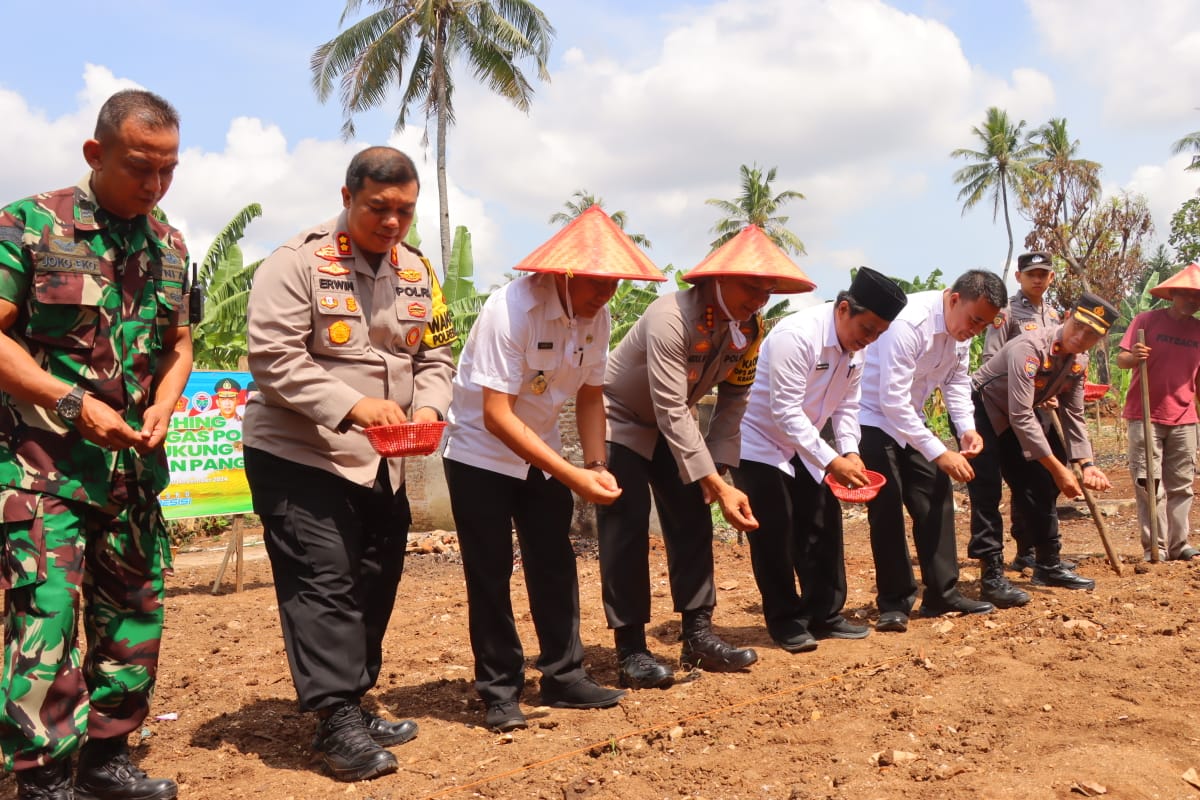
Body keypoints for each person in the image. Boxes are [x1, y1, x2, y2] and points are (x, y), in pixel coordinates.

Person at [243, 147, 456, 782]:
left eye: (405, 211)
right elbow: (274, 358)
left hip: (383, 460)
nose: (393, 223)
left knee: (374, 577)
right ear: (347, 196)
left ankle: (355, 700)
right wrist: (355, 406)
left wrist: (428, 408)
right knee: (324, 581)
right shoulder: (296, 263)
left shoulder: (417, 272)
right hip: (300, 452)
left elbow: (438, 358)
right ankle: (336, 720)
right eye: (378, 208)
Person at [0, 89, 189, 800]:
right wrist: (72, 404)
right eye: (141, 167)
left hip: (132, 473)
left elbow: (179, 342)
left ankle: (107, 762)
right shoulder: (28, 225)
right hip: (40, 469)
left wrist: (167, 404)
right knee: (44, 624)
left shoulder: (168, 242)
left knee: (133, 621)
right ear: (96, 153)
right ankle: (44, 779)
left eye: (169, 170)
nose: (155, 185)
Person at [443, 206, 665, 731]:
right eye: (596, 284)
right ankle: (500, 689)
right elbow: (496, 415)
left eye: (614, 283)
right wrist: (572, 476)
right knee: (490, 571)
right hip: (480, 453)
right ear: (565, 274)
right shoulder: (511, 310)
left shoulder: (599, 315)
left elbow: (591, 396)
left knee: (554, 563)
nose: (606, 295)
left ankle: (564, 675)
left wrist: (595, 462)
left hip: (539, 452)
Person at [598, 225, 815, 689]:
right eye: (750, 286)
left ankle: (698, 636)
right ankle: (631, 649)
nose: (758, 298)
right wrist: (715, 483)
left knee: (692, 519)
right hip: (621, 421)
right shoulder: (670, 317)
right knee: (627, 524)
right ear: (718, 278)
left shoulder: (749, 331)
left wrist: (717, 471)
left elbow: (735, 403)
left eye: (767, 289)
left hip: (674, 428)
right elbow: (671, 406)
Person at [731, 267, 907, 652]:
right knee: (775, 532)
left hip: (809, 446)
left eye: (879, 333)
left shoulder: (856, 350)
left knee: (823, 525)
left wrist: (851, 451)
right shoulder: (798, 336)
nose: (870, 339)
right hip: (760, 444)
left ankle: (824, 614)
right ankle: (785, 621)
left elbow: (848, 405)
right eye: (867, 328)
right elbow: (785, 412)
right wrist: (832, 461)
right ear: (844, 308)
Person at [860, 270, 1005, 633]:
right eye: (974, 320)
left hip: (912, 419)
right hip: (873, 417)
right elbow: (891, 399)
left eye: (983, 325)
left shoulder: (961, 331)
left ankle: (942, 593)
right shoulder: (910, 322)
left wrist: (966, 428)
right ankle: (895, 602)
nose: (975, 330)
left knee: (936, 496)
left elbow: (956, 380)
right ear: (954, 299)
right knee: (887, 507)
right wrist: (940, 452)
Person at [967, 293, 1117, 603]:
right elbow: (1022, 415)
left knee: (1038, 484)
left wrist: (1087, 465)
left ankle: (1048, 564)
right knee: (987, 488)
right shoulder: (1029, 347)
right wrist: (1060, 469)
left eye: (1092, 334)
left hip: (1016, 414)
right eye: (1078, 326)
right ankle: (991, 574)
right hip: (982, 409)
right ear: (1067, 317)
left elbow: (1073, 415)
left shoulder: (1078, 362)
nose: (1081, 337)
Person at [982, 252, 1062, 571]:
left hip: (1045, 410)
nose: (1038, 279)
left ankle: (1045, 541)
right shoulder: (1006, 313)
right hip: (1014, 409)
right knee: (1024, 479)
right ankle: (1025, 547)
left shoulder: (1055, 316)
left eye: (1044, 274)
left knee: (1050, 476)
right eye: (1031, 274)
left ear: (1051, 278)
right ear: (1019, 277)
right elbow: (991, 358)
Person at [1116, 263, 1200, 561]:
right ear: (1173, 294)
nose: (1193, 301)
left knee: (1182, 485)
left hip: (1185, 418)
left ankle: (1179, 545)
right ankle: (1157, 547)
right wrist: (1134, 355)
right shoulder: (1146, 321)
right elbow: (1122, 359)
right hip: (1146, 415)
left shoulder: (1199, 331)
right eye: (1188, 295)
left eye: (1198, 297)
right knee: (1149, 483)